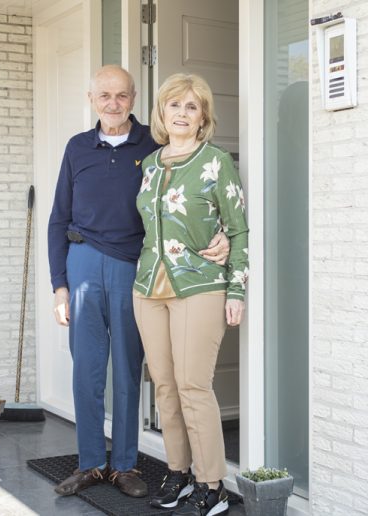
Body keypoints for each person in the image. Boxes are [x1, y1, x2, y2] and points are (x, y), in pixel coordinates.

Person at [47, 65, 230, 498]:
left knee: (129, 369)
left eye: (122, 96)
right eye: (104, 96)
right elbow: (57, 219)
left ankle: (125, 465)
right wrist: (60, 285)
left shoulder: (156, 142)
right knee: (87, 371)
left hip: (136, 265)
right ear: (92, 99)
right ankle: (91, 463)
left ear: (134, 98)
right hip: (83, 262)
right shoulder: (77, 148)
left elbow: (193, 186)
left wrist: (220, 231)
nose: (113, 103)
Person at [133, 73, 249, 515]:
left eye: (191, 107)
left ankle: (212, 483)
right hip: (148, 287)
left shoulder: (216, 161)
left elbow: (238, 230)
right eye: (173, 105)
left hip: (200, 284)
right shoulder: (148, 165)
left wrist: (236, 289)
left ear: (203, 116)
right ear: (161, 113)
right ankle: (178, 472)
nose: (181, 114)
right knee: (163, 386)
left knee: (193, 385)